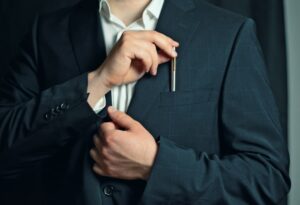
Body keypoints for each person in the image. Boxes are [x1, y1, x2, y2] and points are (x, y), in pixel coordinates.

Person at [0, 0, 291, 204]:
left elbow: (267, 178)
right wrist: (98, 80)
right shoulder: (46, 33)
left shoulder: (228, 34)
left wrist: (154, 165)